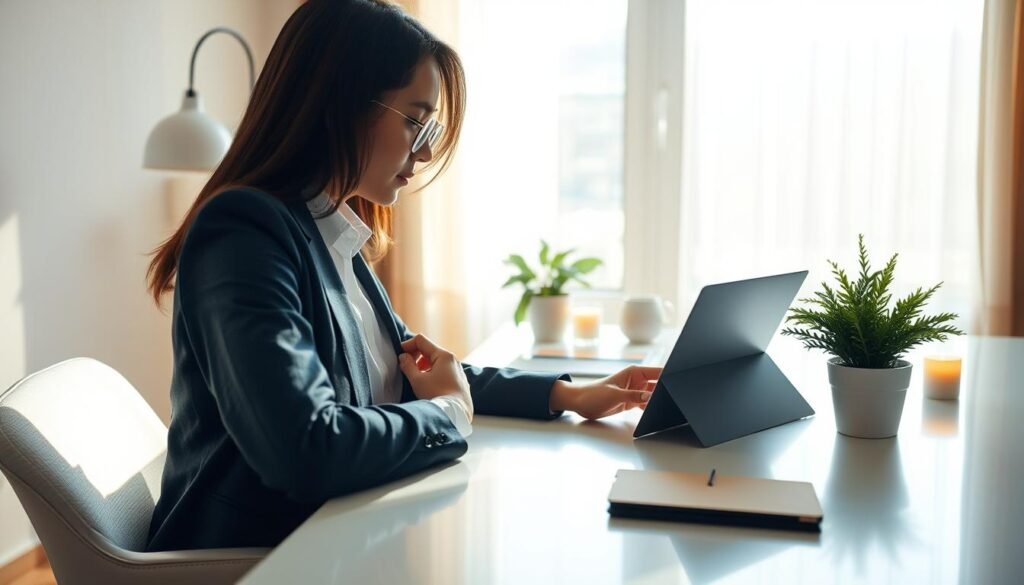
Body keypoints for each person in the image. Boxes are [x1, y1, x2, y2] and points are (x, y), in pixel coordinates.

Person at [144, 0, 661, 551]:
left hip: (330, 537)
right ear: (339, 105)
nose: (429, 149)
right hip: (253, 560)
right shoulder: (244, 232)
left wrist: (569, 395)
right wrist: (448, 413)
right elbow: (306, 450)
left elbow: (417, 369)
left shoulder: (334, 233)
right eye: (416, 121)